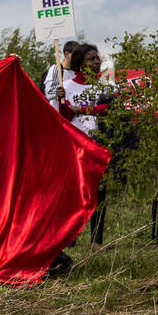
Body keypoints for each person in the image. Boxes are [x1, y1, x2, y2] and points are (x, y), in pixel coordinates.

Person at [55, 44, 123, 249]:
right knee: (75, 192)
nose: (96, 62)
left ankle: (96, 240)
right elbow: (64, 117)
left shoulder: (105, 85)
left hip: (99, 144)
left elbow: (111, 107)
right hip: (75, 146)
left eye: (97, 58)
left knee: (99, 192)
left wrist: (83, 108)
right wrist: (62, 102)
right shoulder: (66, 86)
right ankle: (71, 237)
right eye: (91, 59)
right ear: (79, 64)